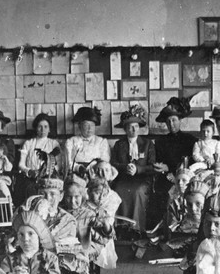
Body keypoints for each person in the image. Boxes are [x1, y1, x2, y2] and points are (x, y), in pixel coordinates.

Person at [110, 106, 157, 236]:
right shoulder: (119, 144)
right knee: (118, 191)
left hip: (142, 179)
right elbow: (113, 164)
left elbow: (152, 166)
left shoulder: (148, 144)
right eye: (130, 127)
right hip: (124, 179)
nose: (133, 129)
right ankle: (121, 228)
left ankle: (137, 229)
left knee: (137, 192)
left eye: (136, 126)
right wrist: (125, 167)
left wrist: (138, 169)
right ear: (125, 129)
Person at [151, 97, 197, 228]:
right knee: (162, 192)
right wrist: (166, 170)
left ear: (180, 120)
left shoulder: (190, 140)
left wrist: (174, 171)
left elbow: (192, 162)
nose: (171, 124)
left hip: (185, 176)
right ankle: (166, 228)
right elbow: (159, 162)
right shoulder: (160, 142)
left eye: (174, 120)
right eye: (168, 121)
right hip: (166, 176)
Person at [17, 113, 61, 203]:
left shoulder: (54, 144)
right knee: (30, 189)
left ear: (49, 129)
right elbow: (21, 164)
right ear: (35, 128)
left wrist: (46, 172)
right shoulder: (28, 143)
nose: (42, 129)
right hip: (31, 178)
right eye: (39, 126)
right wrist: (29, 171)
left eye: (45, 126)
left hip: (49, 177)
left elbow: (58, 165)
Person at [64, 107, 111, 175]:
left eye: (92, 125)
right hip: (75, 174)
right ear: (79, 126)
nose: (90, 128)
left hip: (97, 174)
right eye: (86, 125)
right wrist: (78, 168)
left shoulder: (101, 141)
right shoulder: (71, 141)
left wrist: (95, 169)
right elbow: (67, 162)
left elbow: (105, 161)